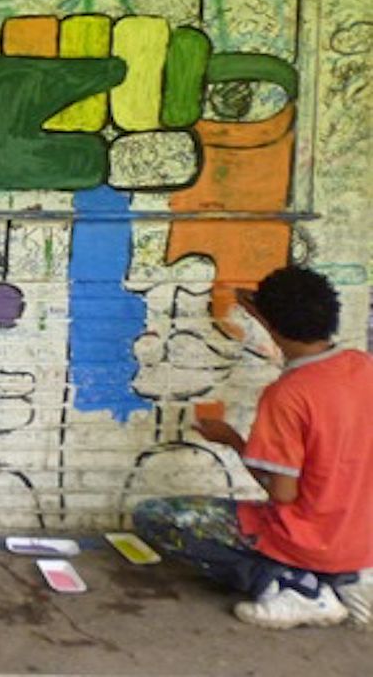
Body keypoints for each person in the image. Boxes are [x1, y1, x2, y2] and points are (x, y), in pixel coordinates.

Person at [134, 265, 373, 630]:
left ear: (271, 325)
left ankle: (294, 587)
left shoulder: (289, 394)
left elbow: (282, 494)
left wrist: (232, 441)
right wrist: (259, 304)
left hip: (310, 537)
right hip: (360, 540)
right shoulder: (363, 367)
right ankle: (349, 578)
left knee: (158, 516)